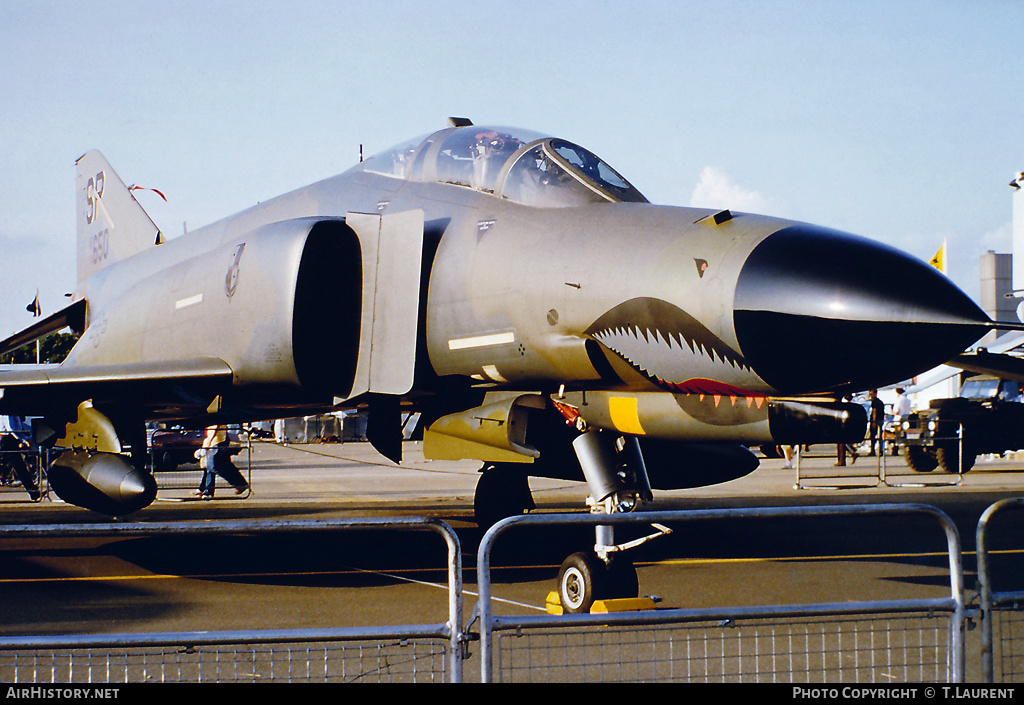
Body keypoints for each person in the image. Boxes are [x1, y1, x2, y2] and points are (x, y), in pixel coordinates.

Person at [195, 425, 249, 499]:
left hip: (217, 442)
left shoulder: (213, 416)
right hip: (220, 441)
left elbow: (214, 428)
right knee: (223, 464)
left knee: (212, 466)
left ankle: (238, 484)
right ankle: (207, 491)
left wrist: (208, 443)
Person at [1, 415, 40, 500]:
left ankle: (33, 492)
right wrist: (24, 439)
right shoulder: (8, 412)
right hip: (8, 440)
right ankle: (33, 491)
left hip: (10, 439)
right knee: (19, 466)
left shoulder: (12, 412)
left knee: (18, 466)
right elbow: (11, 429)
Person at [868, 390, 886, 456]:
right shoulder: (880, 401)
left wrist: (873, 421)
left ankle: (872, 450)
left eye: (871, 394)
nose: (870, 395)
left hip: (876, 420)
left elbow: (874, 412)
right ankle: (880, 450)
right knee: (880, 435)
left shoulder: (874, 401)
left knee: (873, 435)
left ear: (875, 393)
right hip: (880, 420)